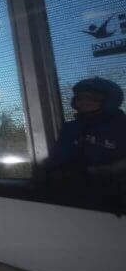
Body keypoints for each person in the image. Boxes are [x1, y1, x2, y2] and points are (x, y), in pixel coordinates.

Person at [45, 77, 126, 213]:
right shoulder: (70, 128)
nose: (83, 102)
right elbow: (57, 159)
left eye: (92, 98)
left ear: (110, 100)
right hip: (74, 200)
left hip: (114, 200)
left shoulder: (121, 127)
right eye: (79, 97)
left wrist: (100, 172)